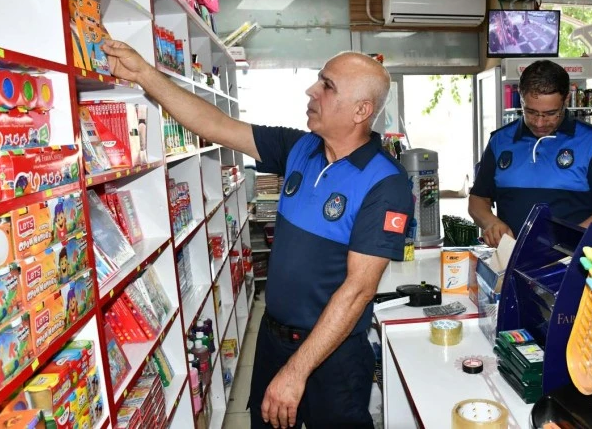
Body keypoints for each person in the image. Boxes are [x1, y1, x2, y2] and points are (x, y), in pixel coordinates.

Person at [101, 40, 413, 429]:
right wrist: (145, 75)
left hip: (333, 359)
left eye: (327, 85)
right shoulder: (300, 148)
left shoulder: (385, 182)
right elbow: (215, 125)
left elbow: (358, 292)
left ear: (361, 111)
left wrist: (296, 372)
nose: (311, 90)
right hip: (273, 341)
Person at [468, 60, 592, 247]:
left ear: (566, 100)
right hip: (510, 256)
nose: (539, 122)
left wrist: (565, 243)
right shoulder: (499, 141)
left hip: (572, 258)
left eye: (551, 113)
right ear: (521, 98)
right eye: (530, 112)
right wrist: (491, 223)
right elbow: (478, 199)